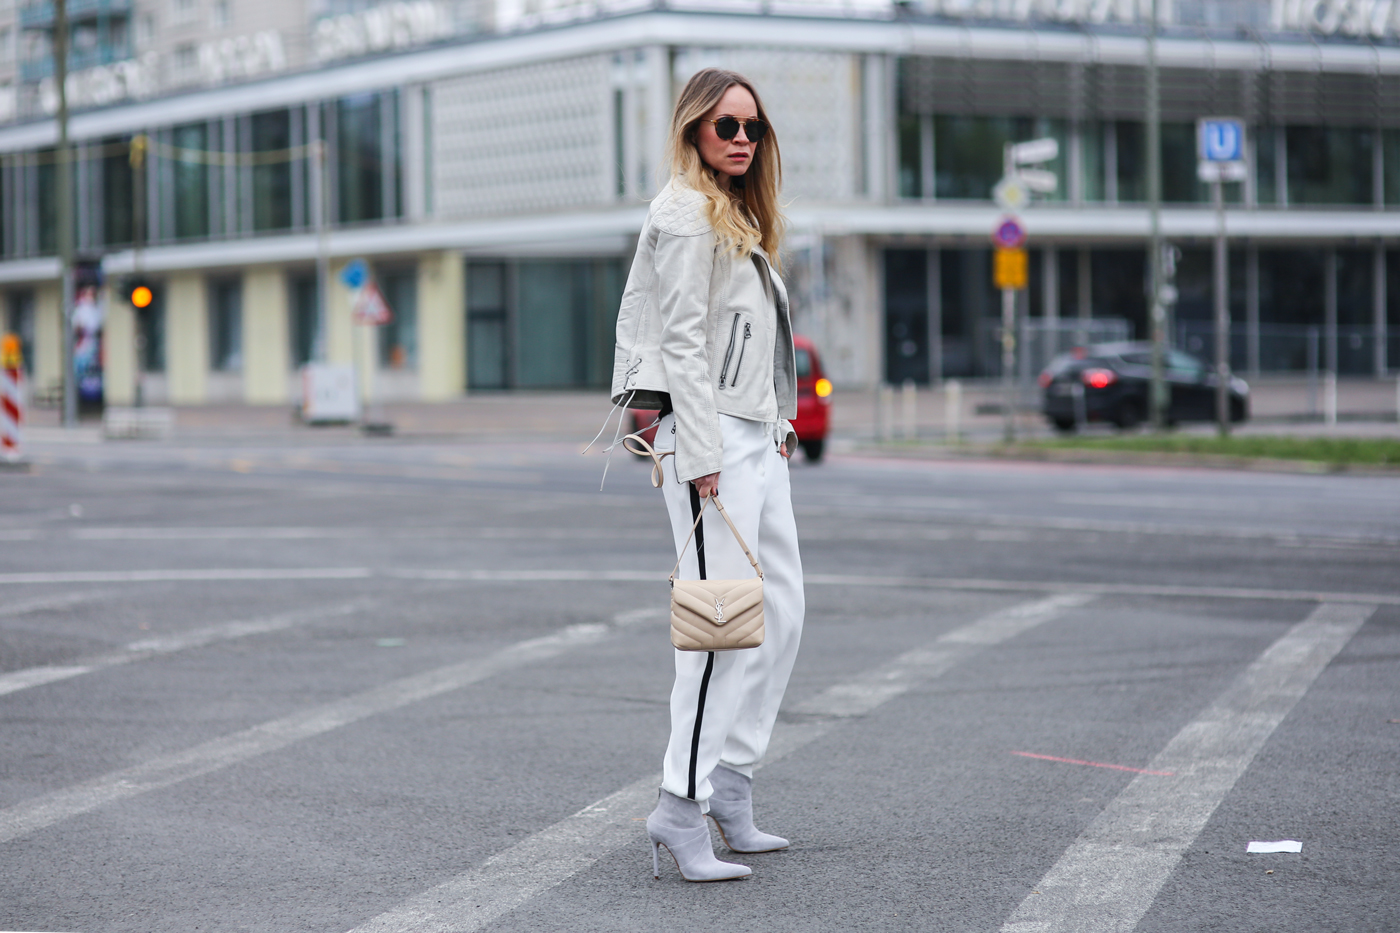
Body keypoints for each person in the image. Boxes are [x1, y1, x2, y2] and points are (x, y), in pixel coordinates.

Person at [609, 68, 804, 883]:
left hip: (753, 432)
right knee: (718, 625)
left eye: (753, 127)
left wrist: (776, 422)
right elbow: (683, 339)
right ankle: (678, 806)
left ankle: (730, 779)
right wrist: (704, 452)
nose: (742, 139)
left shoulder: (734, 214)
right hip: (709, 436)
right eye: (727, 125)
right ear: (694, 128)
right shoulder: (686, 211)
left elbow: (745, 337)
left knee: (781, 611)